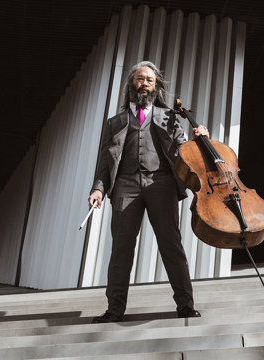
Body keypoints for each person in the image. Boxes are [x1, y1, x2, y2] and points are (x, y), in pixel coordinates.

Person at [88, 61, 209, 323]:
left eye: (150, 80)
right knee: (121, 248)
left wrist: (201, 139)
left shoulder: (169, 117)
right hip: (125, 185)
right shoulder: (115, 122)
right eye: (140, 79)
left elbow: (185, 153)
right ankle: (115, 310)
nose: (145, 83)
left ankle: (185, 305)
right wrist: (98, 189)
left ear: (156, 87)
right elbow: (104, 160)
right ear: (131, 84)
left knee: (171, 245)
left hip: (161, 184)